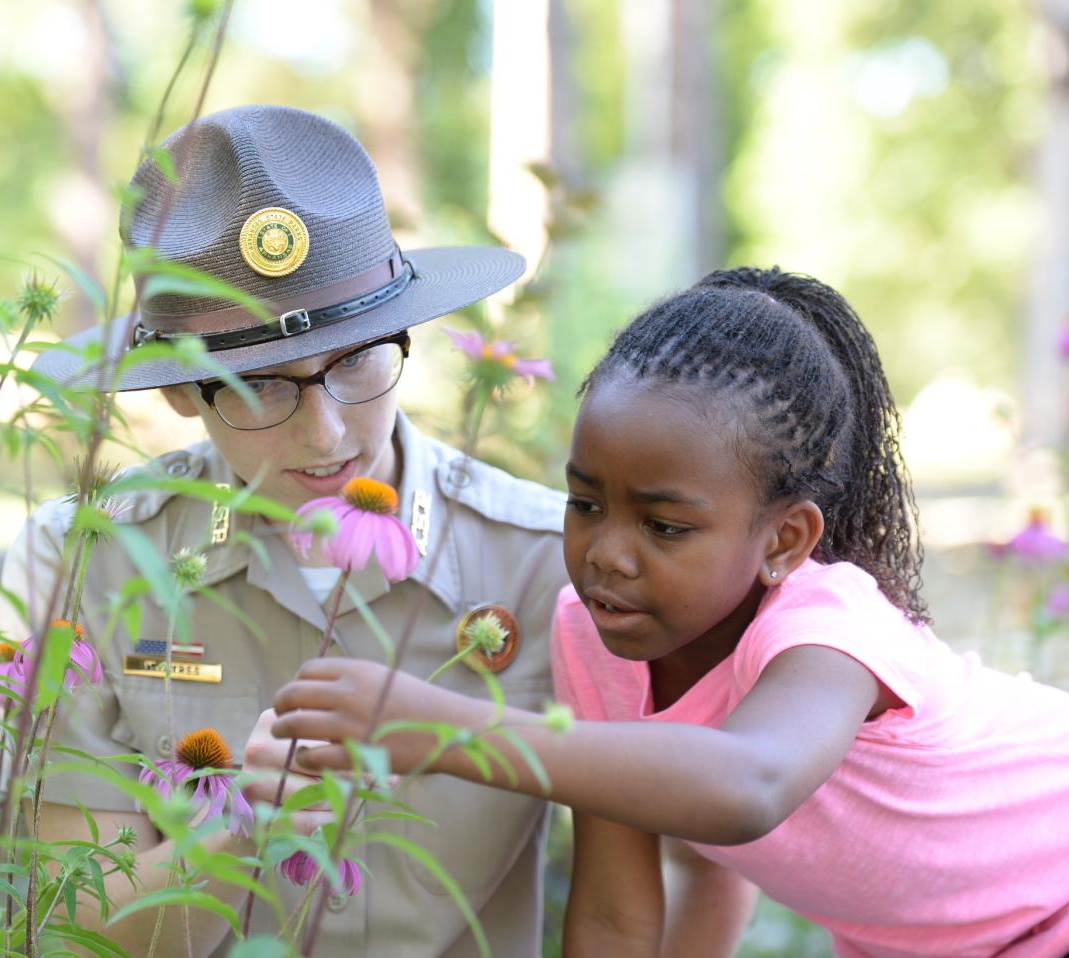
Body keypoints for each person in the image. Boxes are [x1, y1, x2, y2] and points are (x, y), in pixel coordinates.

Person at [271, 267, 1069, 957]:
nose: (607, 554)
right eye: (585, 502)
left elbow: (746, 784)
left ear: (784, 539)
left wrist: (444, 731)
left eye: (664, 526)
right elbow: (621, 914)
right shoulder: (595, 639)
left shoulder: (827, 627)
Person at [0, 104, 567, 957]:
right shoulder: (81, 563)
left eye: (356, 357)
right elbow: (63, 931)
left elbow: (669, 867)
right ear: (179, 391)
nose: (325, 435)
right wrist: (240, 827)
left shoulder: (541, 559)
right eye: (258, 386)